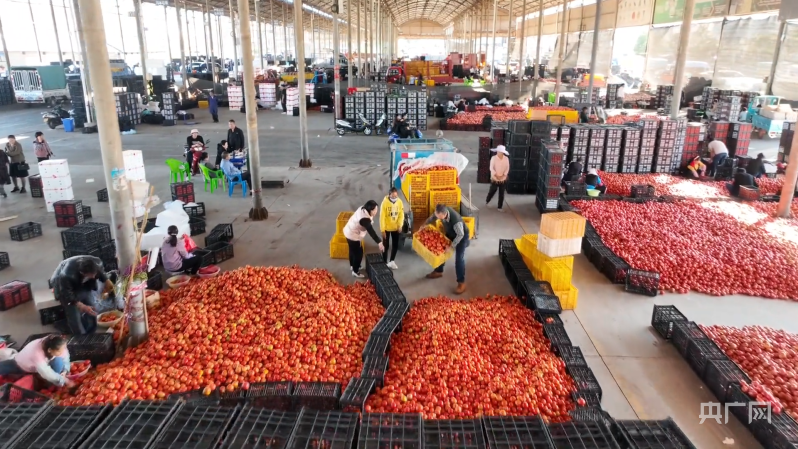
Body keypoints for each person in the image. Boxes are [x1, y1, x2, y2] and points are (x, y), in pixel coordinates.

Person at [51, 256, 116, 335]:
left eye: (94, 274)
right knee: (74, 314)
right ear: (82, 272)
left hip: (80, 282)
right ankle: (81, 338)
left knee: (92, 307)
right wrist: (81, 305)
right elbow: (67, 295)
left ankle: (91, 332)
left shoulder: (97, 263)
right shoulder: (67, 275)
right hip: (62, 286)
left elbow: (99, 272)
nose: (93, 277)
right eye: (91, 275)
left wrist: (106, 280)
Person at [423, 204, 470, 294]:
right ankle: (438, 271)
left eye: (440, 217)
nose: (438, 218)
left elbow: (460, 234)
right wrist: (424, 225)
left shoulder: (456, 221)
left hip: (461, 236)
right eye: (437, 216)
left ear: (444, 215)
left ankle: (461, 283)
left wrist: (452, 246)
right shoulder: (440, 211)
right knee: (441, 250)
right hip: (451, 232)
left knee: (459, 259)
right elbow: (433, 217)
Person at [0, 335, 75, 388]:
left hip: (39, 365)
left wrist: (65, 369)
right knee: (4, 367)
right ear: (50, 350)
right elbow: (47, 373)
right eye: (60, 351)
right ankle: (48, 385)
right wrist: (64, 380)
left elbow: (65, 356)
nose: (63, 352)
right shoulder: (37, 354)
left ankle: (50, 384)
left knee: (59, 362)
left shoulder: (53, 342)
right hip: (21, 364)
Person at [343, 200, 384, 278]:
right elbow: (371, 231)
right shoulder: (364, 219)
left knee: (352, 250)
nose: (376, 212)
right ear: (370, 210)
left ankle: (352, 265)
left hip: (348, 230)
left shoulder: (363, 208)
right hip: (352, 235)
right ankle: (355, 271)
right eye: (375, 210)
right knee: (359, 253)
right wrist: (379, 242)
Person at [379, 188, 405, 269]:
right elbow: (382, 217)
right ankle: (384, 262)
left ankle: (392, 261)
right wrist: (382, 230)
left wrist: (400, 225)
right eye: (393, 196)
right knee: (385, 246)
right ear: (389, 195)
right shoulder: (384, 203)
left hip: (395, 228)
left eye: (396, 196)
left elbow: (401, 214)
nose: (394, 198)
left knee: (395, 245)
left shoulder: (400, 202)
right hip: (386, 228)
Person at [486, 145, 509, 211]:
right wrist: (496, 175)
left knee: (501, 193)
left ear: (502, 152)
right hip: (495, 178)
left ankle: (500, 207)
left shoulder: (506, 159)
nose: (499, 153)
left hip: (503, 179)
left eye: (500, 152)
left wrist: (503, 175)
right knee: (492, 190)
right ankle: (487, 201)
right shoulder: (493, 158)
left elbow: (507, 168)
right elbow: (491, 168)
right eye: (498, 151)